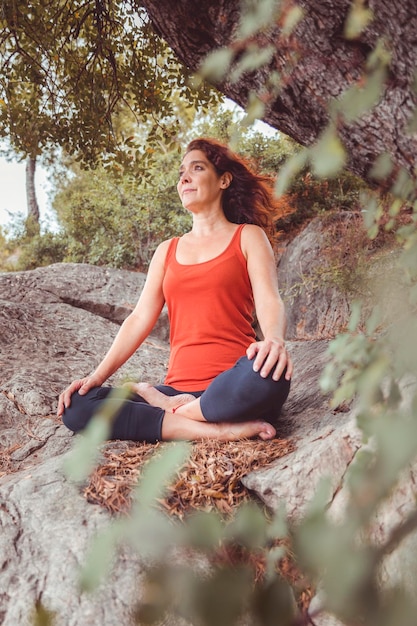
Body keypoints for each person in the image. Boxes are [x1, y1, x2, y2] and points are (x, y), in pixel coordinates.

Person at [58, 138, 293, 443]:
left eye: (197, 168)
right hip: (176, 389)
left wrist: (273, 340)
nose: (184, 177)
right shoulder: (166, 251)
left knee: (270, 375)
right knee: (77, 406)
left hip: (232, 385)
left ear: (223, 179)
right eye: (182, 172)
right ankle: (214, 429)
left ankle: (178, 414)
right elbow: (140, 318)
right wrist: (96, 377)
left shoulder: (248, 237)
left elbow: (269, 299)